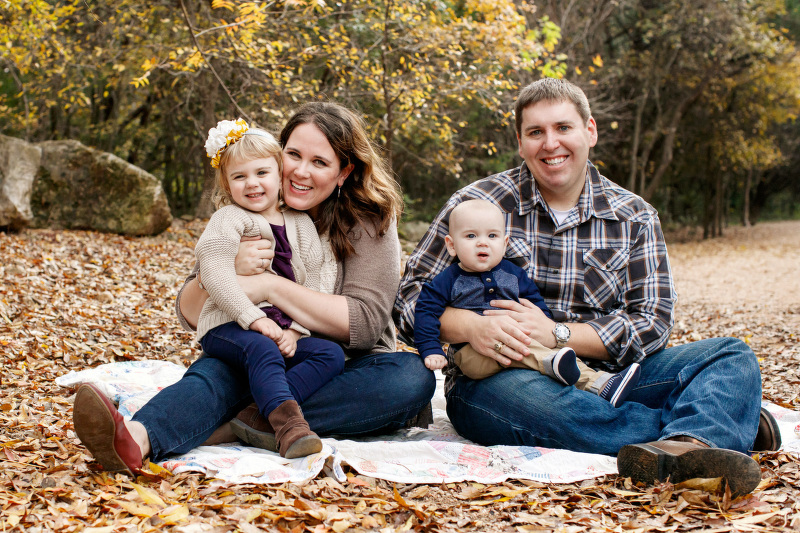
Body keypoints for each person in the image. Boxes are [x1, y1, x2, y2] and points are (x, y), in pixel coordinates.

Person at [395, 78, 780, 497]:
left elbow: (652, 323)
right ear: (520, 142)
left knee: (729, 355)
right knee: (530, 402)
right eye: (536, 132)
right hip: (501, 376)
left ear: (590, 131)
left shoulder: (634, 216)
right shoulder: (476, 205)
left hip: (613, 378)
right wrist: (472, 327)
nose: (550, 143)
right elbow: (408, 298)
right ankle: (709, 429)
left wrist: (556, 334)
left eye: (563, 127)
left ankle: (691, 440)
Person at [73, 101, 436, 475]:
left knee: (410, 378)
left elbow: (365, 323)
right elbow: (191, 313)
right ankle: (134, 440)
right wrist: (223, 272)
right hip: (258, 349)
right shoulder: (248, 207)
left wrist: (267, 285)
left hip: (340, 367)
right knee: (225, 368)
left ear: (344, 172)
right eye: (293, 155)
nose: (301, 171)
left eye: (319, 162)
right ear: (278, 155)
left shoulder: (370, 219)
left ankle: (239, 423)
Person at [193, 119, 345, 458]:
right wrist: (253, 318)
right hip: (228, 325)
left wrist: (296, 330)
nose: (252, 183)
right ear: (227, 183)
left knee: (330, 354)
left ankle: (254, 413)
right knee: (263, 349)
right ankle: (289, 428)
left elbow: (315, 281)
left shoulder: (300, 223)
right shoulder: (228, 219)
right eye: (239, 176)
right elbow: (214, 273)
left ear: (280, 175)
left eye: (261, 173)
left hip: (279, 328)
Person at [413, 199, 641, 408]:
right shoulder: (448, 280)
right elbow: (425, 311)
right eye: (471, 236)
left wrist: (545, 326)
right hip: (473, 356)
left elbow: (534, 303)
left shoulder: (513, 274)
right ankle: (584, 377)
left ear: (504, 243)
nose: (482, 243)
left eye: (492, 236)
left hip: (521, 346)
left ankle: (600, 384)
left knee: (551, 351)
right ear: (452, 245)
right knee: (532, 352)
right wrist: (431, 348)